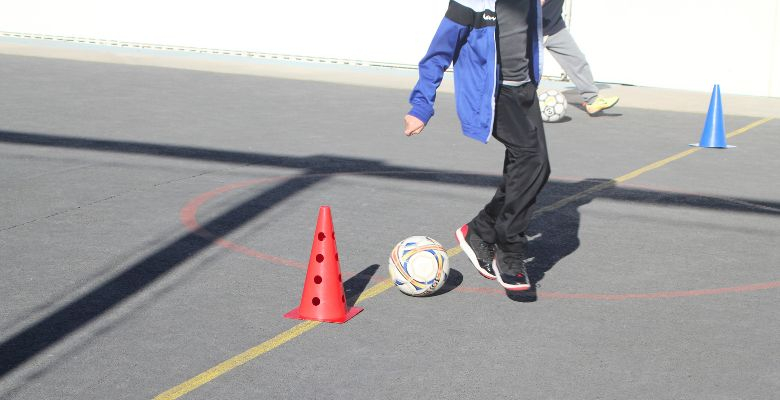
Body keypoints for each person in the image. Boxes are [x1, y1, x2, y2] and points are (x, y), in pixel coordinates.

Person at [403, 0, 549, 291]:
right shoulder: (471, 3)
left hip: (525, 92)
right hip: (493, 97)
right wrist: (421, 106)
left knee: (528, 169)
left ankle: (480, 230)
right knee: (533, 161)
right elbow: (437, 54)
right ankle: (510, 251)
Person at [541, 0, 619, 114]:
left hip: (555, 28)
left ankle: (592, 100)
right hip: (528, 29)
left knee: (577, 60)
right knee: (520, 68)